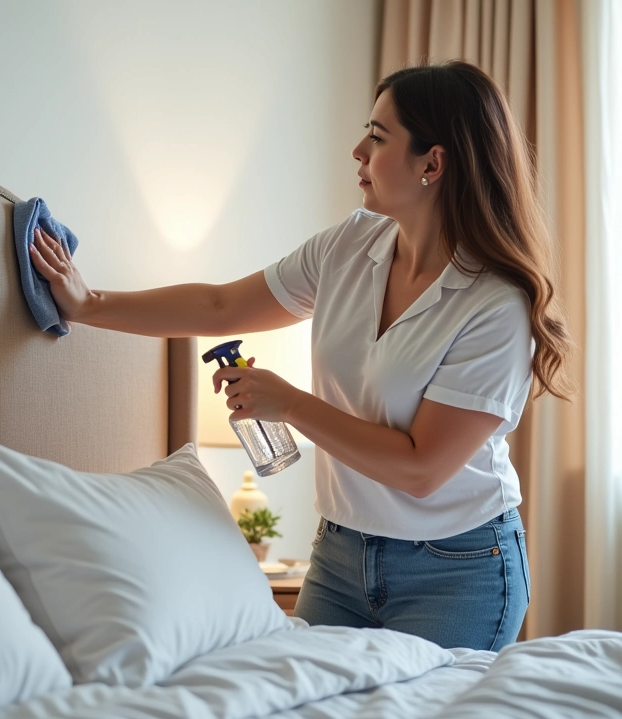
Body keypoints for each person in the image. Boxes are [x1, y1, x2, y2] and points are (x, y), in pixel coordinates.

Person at [30, 60, 574, 652]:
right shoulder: (349, 245)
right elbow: (219, 307)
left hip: (457, 572)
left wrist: (290, 404)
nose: (357, 151)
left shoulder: (495, 304)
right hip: (340, 555)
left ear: (432, 164)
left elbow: (421, 470)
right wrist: (88, 303)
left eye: (378, 137)